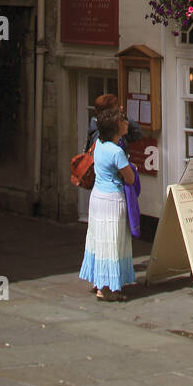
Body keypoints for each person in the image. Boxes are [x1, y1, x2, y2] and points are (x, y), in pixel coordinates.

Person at [79, 106, 136, 302]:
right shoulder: (117, 151)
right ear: (115, 127)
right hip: (112, 199)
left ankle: (99, 280)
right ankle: (107, 289)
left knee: (98, 239)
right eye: (123, 120)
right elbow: (129, 179)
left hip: (97, 198)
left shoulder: (99, 146)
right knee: (112, 241)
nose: (127, 123)